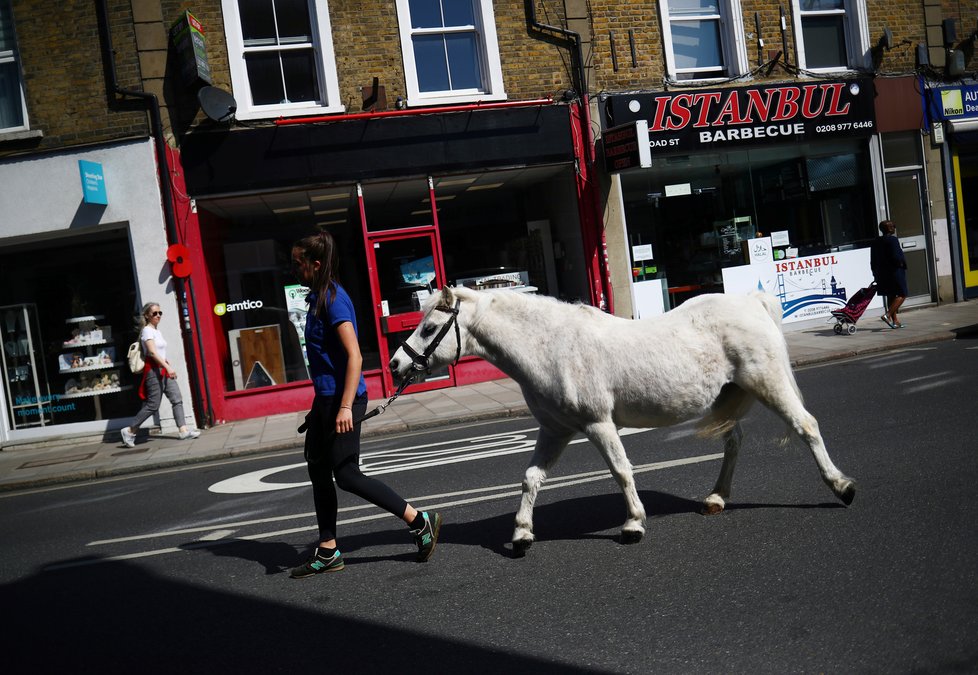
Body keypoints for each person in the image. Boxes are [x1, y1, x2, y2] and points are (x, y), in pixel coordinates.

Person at [289, 231, 441, 579]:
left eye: (298, 263)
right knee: (317, 469)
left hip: (345, 399)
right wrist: (322, 407)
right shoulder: (316, 298)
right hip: (326, 400)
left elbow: (355, 356)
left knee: (346, 474)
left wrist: (344, 407)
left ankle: (420, 521)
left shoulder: (333, 300)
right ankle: (328, 550)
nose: (293, 269)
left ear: (315, 264)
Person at [120, 303, 201, 447]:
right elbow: (152, 352)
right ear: (147, 315)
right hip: (154, 371)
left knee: (177, 398)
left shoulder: (157, 331)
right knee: (153, 405)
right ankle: (130, 430)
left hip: (163, 369)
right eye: (154, 313)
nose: (158, 316)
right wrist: (168, 367)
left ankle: (183, 430)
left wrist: (167, 367)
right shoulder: (147, 331)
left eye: (160, 313)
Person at [870, 219, 908, 329]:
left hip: (882, 273)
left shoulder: (876, 241)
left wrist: (875, 273)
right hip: (895, 272)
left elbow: (872, 260)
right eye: (893, 226)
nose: (894, 228)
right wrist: (901, 264)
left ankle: (895, 321)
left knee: (890, 295)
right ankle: (887, 315)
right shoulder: (892, 240)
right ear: (890, 229)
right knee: (902, 294)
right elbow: (896, 257)